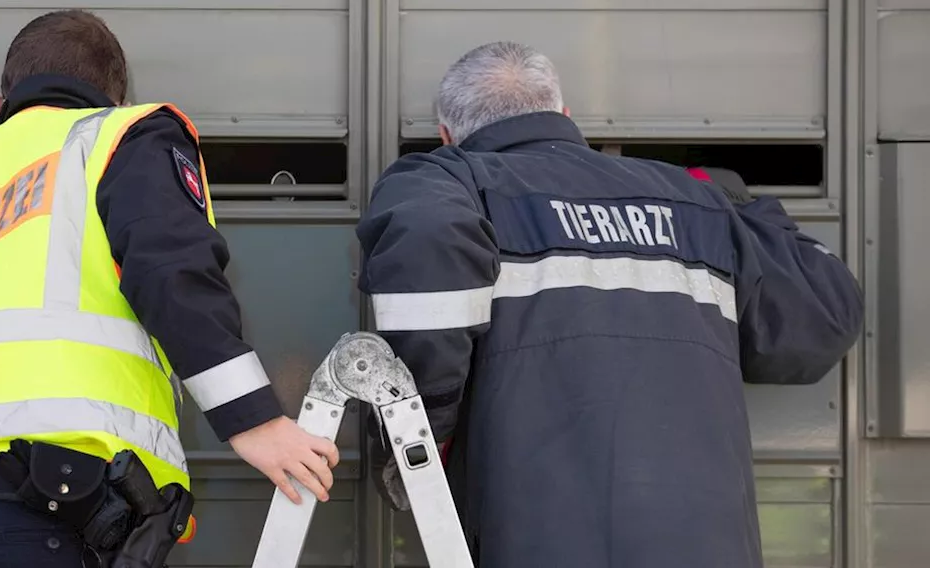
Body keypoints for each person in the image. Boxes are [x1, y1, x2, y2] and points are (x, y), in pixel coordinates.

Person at [0, 9, 339, 567]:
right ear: (112, 99)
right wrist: (253, 421)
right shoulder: (119, 140)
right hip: (67, 521)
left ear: (0, 106)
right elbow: (173, 275)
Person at [356, 41, 863, 567]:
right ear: (563, 114)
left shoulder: (449, 180)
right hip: (710, 542)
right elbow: (824, 318)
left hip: (542, 538)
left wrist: (412, 438)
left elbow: (427, 240)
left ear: (446, 135)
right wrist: (746, 211)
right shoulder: (693, 199)